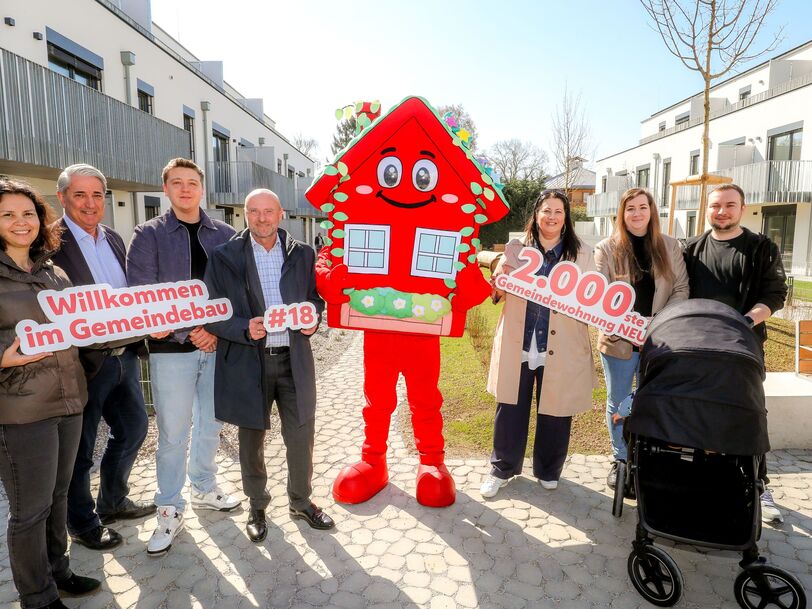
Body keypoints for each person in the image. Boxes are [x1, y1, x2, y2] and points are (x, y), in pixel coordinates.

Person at [204, 189, 334, 542]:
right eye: (254, 211)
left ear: (281, 215)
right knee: (251, 438)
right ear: (245, 215)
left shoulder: (303, 253)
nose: (262, 218)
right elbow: (213, 313)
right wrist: (243, 327)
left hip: (294, 361)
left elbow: (314, 300)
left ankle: (301, 501)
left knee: (301, 434)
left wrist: (312, 321)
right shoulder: (224, 256)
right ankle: (257, 504)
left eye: (268, 211)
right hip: (250, 362)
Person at [126, 158, 239, 556]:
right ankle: (169, 507)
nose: (186, 189)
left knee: (211, 423)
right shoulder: (148, 235)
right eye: (177, 182)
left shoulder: (224, 233)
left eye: (192, 183)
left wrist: (213, 332)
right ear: (167, 188)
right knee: (173, 434)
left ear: (201, 189)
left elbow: (234, 292)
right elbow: (142, 291)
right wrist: (184, 330)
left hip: (215, 346)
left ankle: (204, 487)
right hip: (170, 350)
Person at [0, 179, 101, 609]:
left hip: (68, 401)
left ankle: (58, 572)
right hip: (21, 411)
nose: (21, 223)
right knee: (29, 511)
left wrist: (131, 323)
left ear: (40, 219)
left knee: (58, 497)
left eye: (28, 213)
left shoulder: (53, 271)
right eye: (8, 214)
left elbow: (83, 329)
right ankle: (36, 597)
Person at [50, 164, 153, 552]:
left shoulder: (111, 238)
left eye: (97, 195)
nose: (90, 203)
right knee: (80, 450)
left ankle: (112, 502)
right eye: (80, 194)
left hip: (123, 355)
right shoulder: (50, 243)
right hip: (83, 364)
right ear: (62, 198)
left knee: (133, 428)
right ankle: (82, 523)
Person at [481, 190, 597, 497]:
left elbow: (593, 299)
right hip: (520, 339)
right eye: (546, 210)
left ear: (566, 217)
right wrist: (497, 282)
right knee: (510, 408)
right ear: (536, 214)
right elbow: (498, 291)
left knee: (556, 410)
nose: (552, 217)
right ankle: (502, 468)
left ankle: (549, 469)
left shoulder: (582, 253)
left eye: (559, 211)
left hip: (562, 343)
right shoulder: (517, 248)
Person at [683, 183, 788, 522]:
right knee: (701, 414)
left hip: (744, 349)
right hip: (700, 350)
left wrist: (744, 321)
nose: (722, 211)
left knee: (749, 416)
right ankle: (704, 484)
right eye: (715, 206)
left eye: (730, 205)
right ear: (707, 209)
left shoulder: (761, 248)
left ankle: (760, 487)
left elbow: (775, 295)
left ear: (742, 208)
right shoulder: (692, 249)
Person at [594, 188, 688, 488]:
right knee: (619, 402)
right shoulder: (606, 249)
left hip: (658, 342)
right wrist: (628, 324)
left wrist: (657, 323)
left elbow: (682, 289)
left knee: (651, 401)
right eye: (630, 208)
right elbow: (600, 297)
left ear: (652, 210)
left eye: (642, 207)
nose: (637, 213)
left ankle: (645, 458)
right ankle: (621, 459)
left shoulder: (670, 246)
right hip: (618, 341)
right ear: (621, 214)